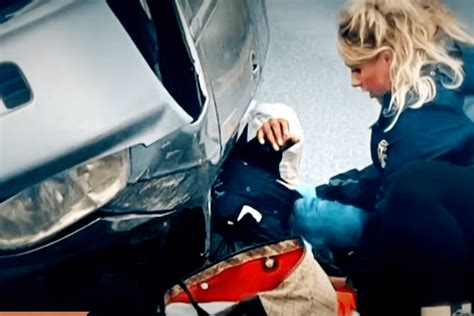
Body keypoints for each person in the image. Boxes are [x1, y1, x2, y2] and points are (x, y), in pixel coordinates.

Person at [258, 0, 474, 314]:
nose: (354, 81)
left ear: (387, 58)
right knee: (307, 198)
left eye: (358, 69)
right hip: (436, 214)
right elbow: (386, 175)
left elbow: (396, 207)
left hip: (442, 235)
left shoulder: (419, 126)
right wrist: (334, 189)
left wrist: (355, 283)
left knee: (309, 216)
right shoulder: (425, 86)